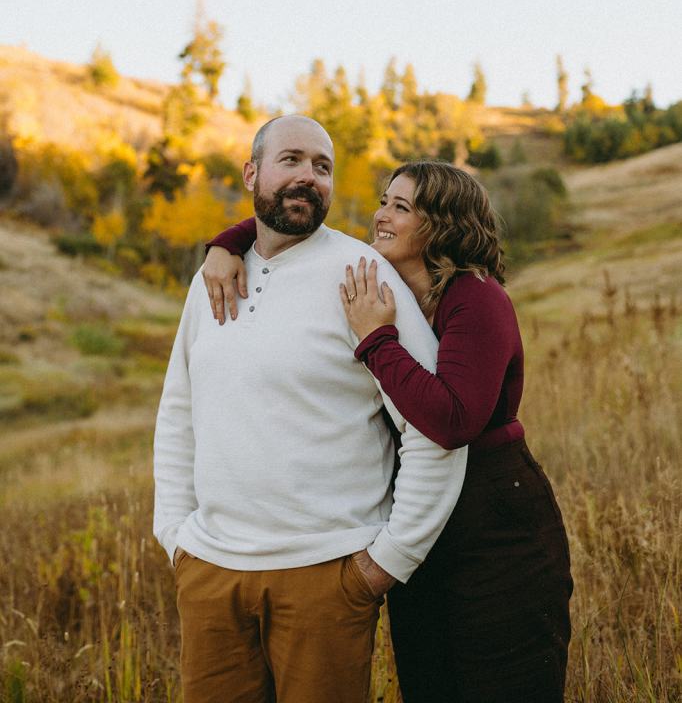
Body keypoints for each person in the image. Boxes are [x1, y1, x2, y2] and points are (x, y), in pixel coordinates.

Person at [204, 158, 573, 703]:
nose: (381, 216)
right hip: (419, 518)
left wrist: (375, 340)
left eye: (401, 208)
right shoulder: (385, 286)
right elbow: (305, 233)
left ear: (441, 225)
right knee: (429, 685)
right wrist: (227, 242)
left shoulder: (476, 299)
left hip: (495, 523)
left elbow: (452, 421)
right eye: (384, 201)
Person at [153, 117, 468, 703]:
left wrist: (388, 559)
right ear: (252, 173)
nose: (308, 177)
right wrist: (174, 533)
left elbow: (431, 428)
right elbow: (179, 411)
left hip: (325, 574)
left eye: (322, 167)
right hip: (211, 573)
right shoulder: (213, 278)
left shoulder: (363, 275)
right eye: (291, 160)